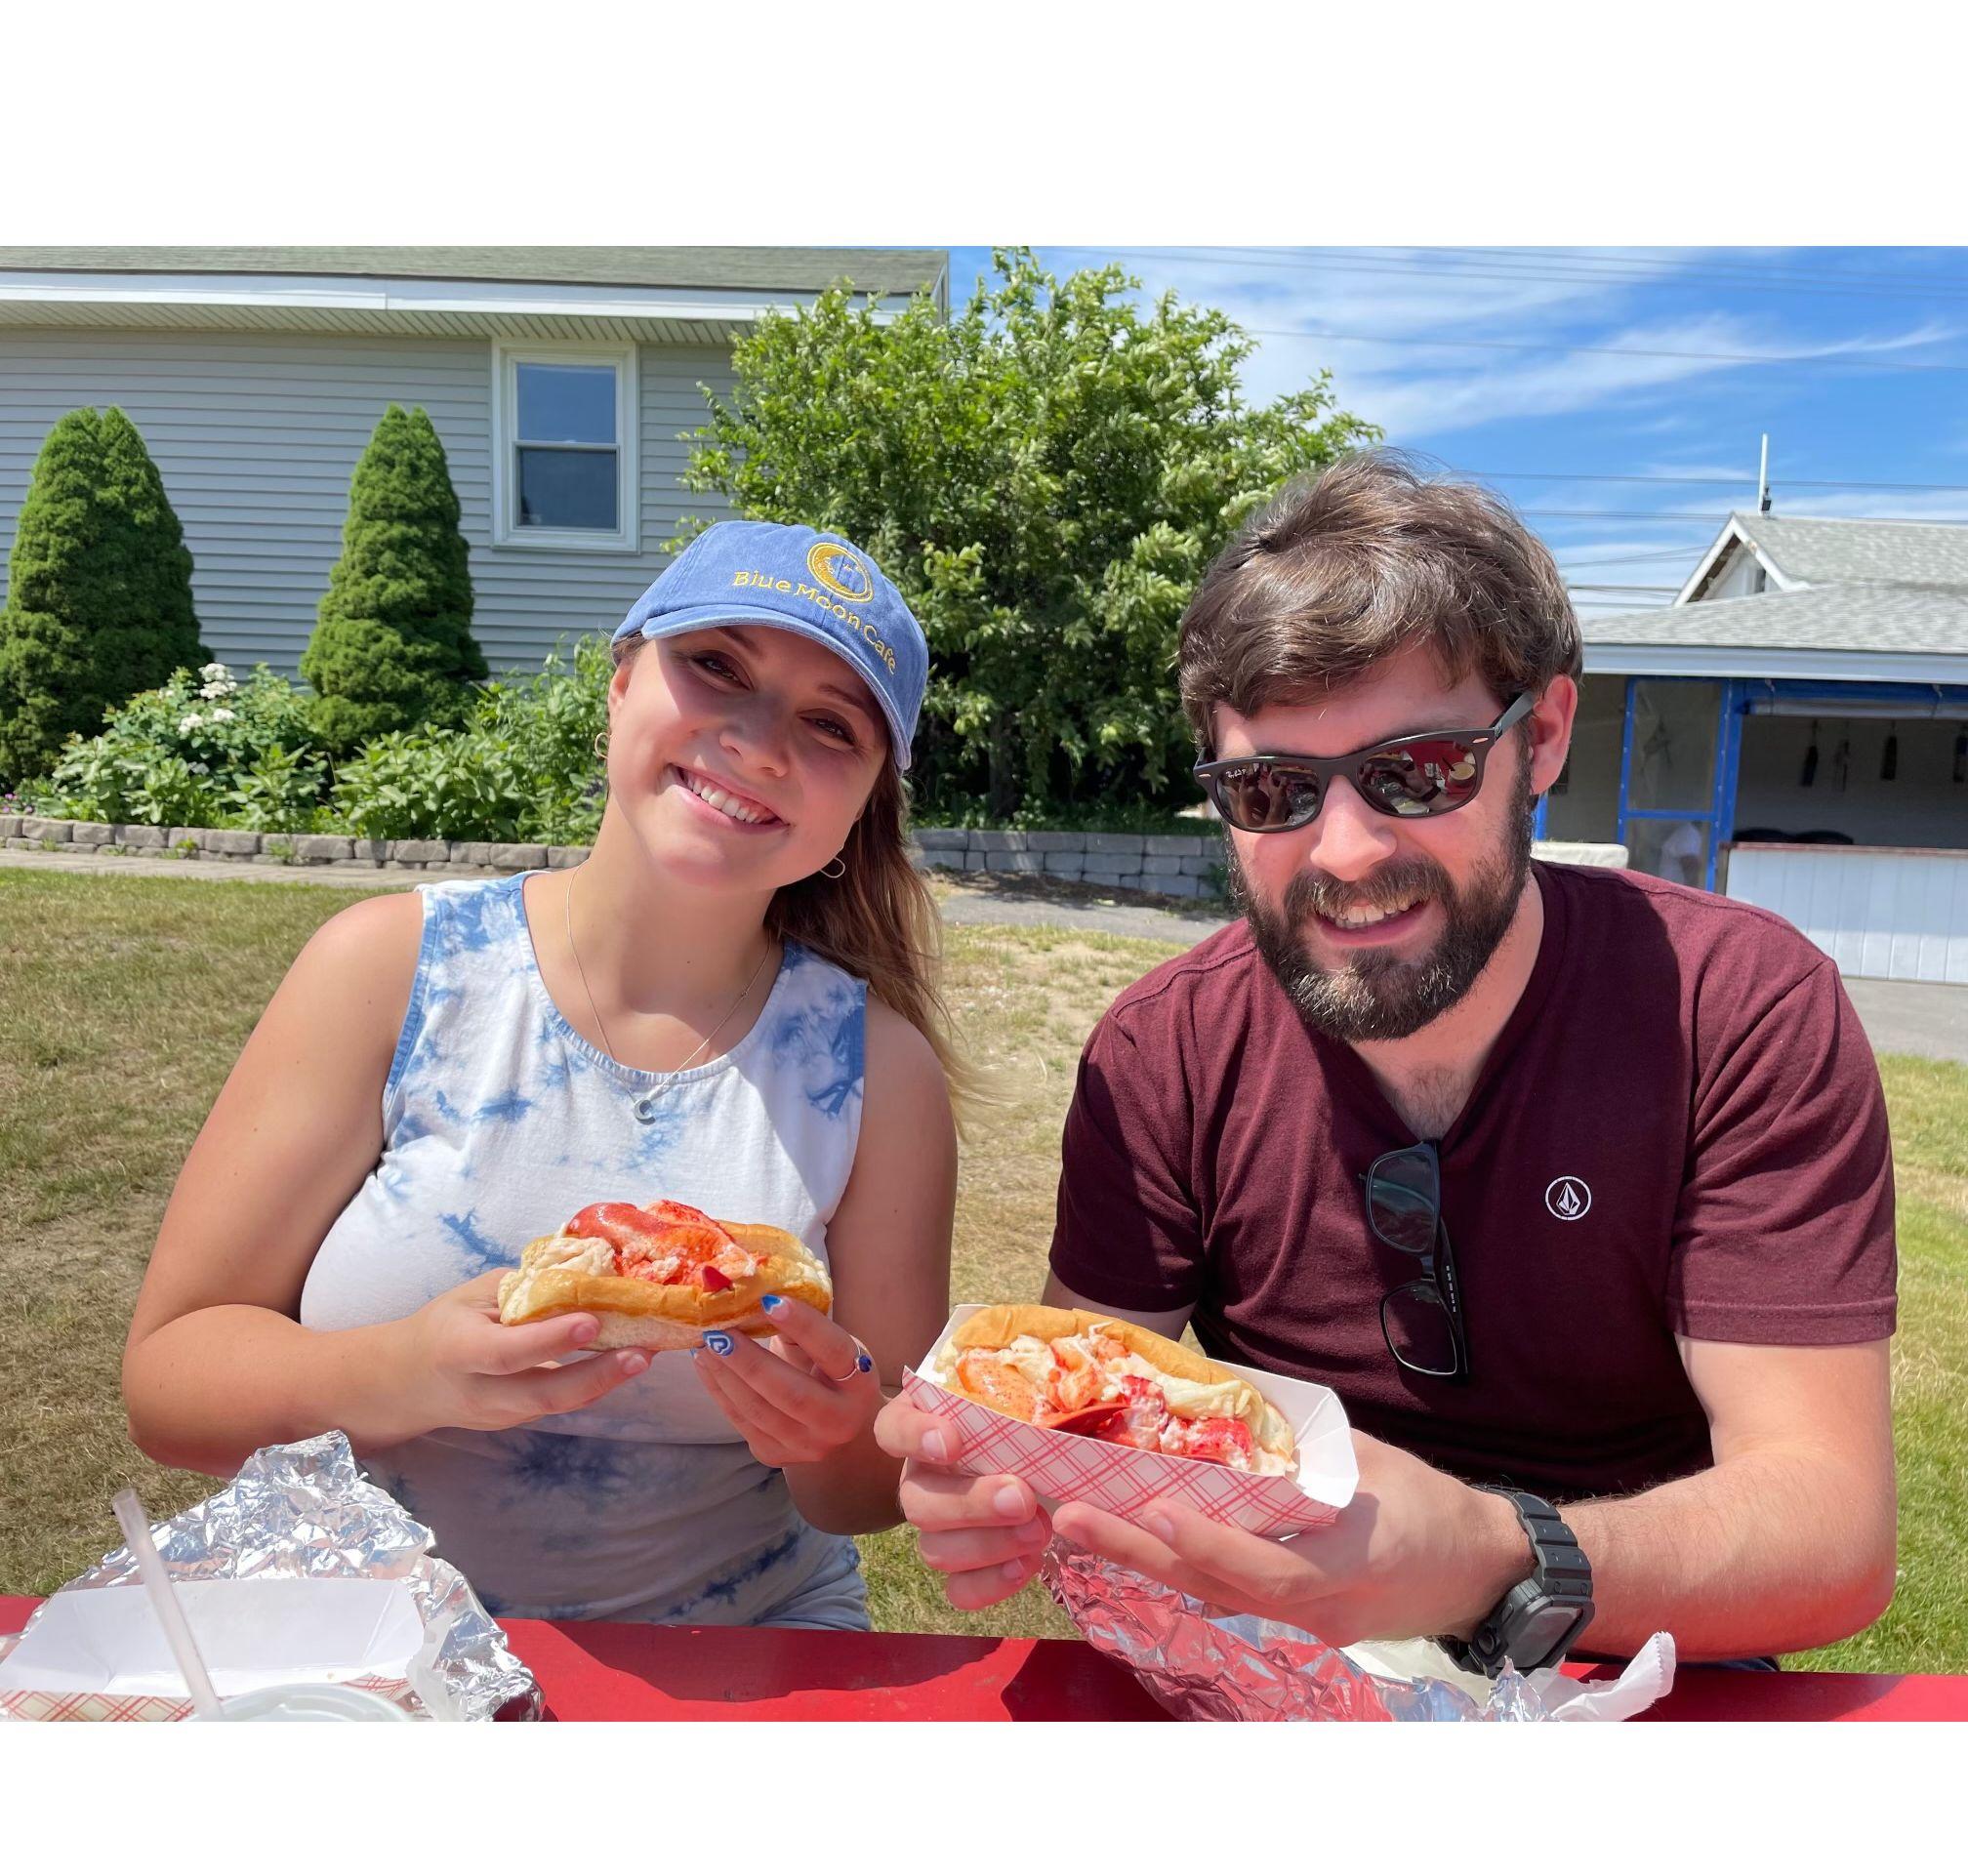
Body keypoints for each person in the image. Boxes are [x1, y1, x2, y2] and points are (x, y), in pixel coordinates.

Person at [878, 453, 1898, 1669]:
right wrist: (1008, 1490)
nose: (1347, 850)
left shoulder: (1735, 1011)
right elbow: (1082, 1403)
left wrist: (1490, 1559)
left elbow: (1831, 1528)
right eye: (1272, 790)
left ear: (1546, 737)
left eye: (1417, 771)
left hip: (1657, 1661)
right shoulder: (1166, 1052)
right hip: (1283, 1674)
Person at [124, 520, 959, 1630]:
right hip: (354, 1645)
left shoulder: (880, 1072)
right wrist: (403, 1373)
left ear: (863, 809)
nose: (760, 743)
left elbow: (867, 1495)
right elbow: (168, 1386)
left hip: (736, 1653)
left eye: (829, 724)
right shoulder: (389, 967)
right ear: (619, 681)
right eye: (715, 666)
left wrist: (837, 1433)